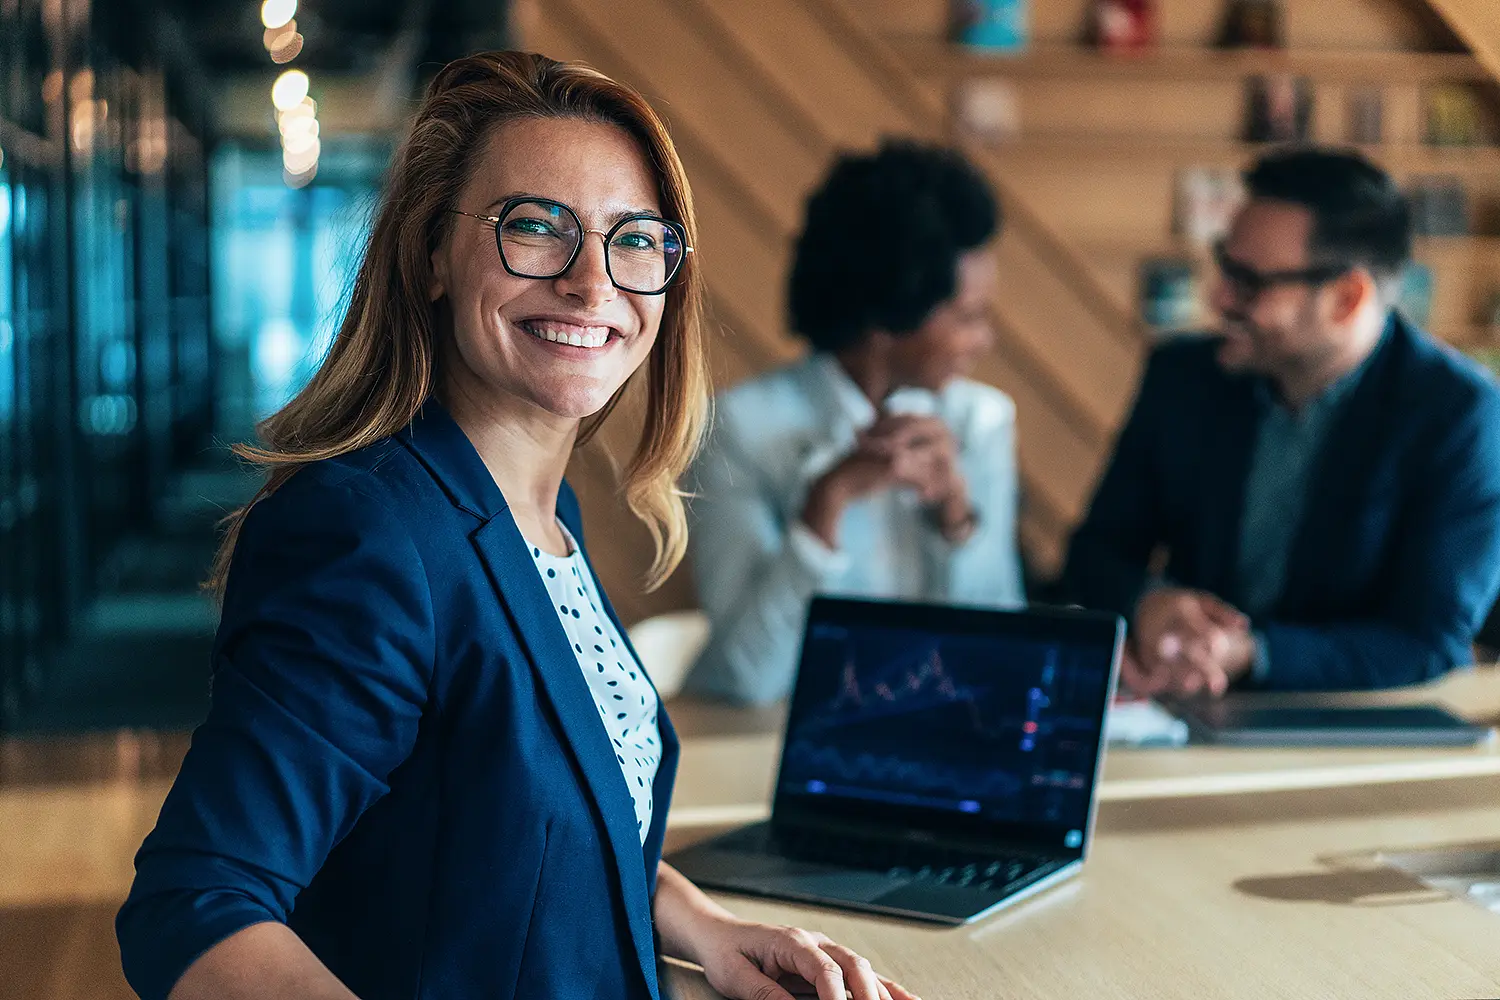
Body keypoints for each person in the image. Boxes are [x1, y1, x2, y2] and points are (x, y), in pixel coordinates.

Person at [115, 52, 916, 1000]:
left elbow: (513, 825)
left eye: (636, 239)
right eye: (534, 227)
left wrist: (706, 925)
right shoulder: (364, 533)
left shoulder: (542, 512)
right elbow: (198, 899)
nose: (591, 282)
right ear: (430, 256)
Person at [1061, 146, 1500, 697]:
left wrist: (1251, 652)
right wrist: (1148, 603)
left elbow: (1427, 638)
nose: (1219, 297)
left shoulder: (1459, 413)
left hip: (1347, 733)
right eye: (1224, 264)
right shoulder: (1182, 376)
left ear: (1346, 297)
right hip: (1176, 712)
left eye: (1249, 282)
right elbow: (1094, 553)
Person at [683, 140, 1024, 705]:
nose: (984, 341)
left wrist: (957, 517)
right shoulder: (739, 431)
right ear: (885, 319)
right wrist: (825, 504)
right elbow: (747, 677)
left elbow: (999, 662)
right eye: (967, 318)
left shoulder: (981, 424)